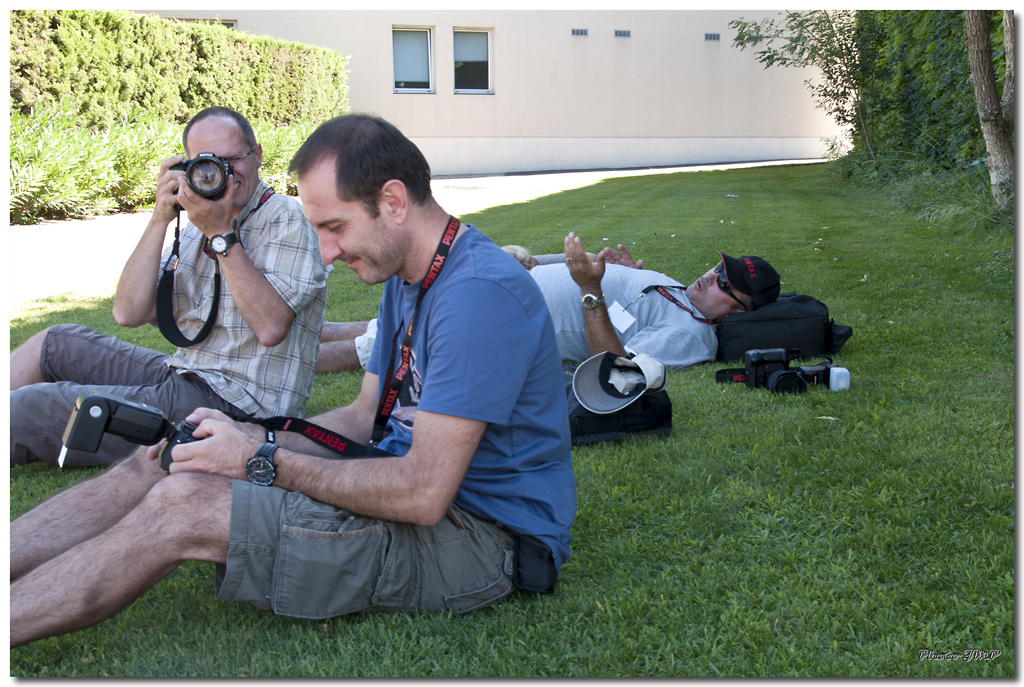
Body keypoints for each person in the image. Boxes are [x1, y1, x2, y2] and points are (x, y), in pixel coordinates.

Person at [10, 113, 576, 647]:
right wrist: (252, 438)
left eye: (335, 227)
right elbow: (361, 417)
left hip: (482, 538)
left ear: (394, 201)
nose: (327, 253)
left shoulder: (477, 295)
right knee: (170, 456)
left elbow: (425, 493)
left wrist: (262, 462)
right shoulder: (410, 279)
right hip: (397, 478)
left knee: (183, 504)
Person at [10, 107, 329, 468]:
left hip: (233, 407)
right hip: (184, 373)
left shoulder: (286, 218)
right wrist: (160, 217)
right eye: (206, 164)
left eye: (232, 159)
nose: (221, 173)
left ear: (256, 156)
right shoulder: (197, 223)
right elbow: (129, 312)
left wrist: (221, 234)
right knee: (56, 343)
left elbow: (271, 327)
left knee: (37, 404)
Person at [317, 239, 780, 372]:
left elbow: (616, 370)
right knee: (387, 323)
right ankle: (282, 336)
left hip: (506, 317)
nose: (710, 276)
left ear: (737, 312)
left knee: (380, 345)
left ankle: (277, 356)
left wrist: (591, 290)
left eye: (724, 283)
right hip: (514, 281)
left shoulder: (691, 334)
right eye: (719, 268)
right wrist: (617, 270)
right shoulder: (684, 294)